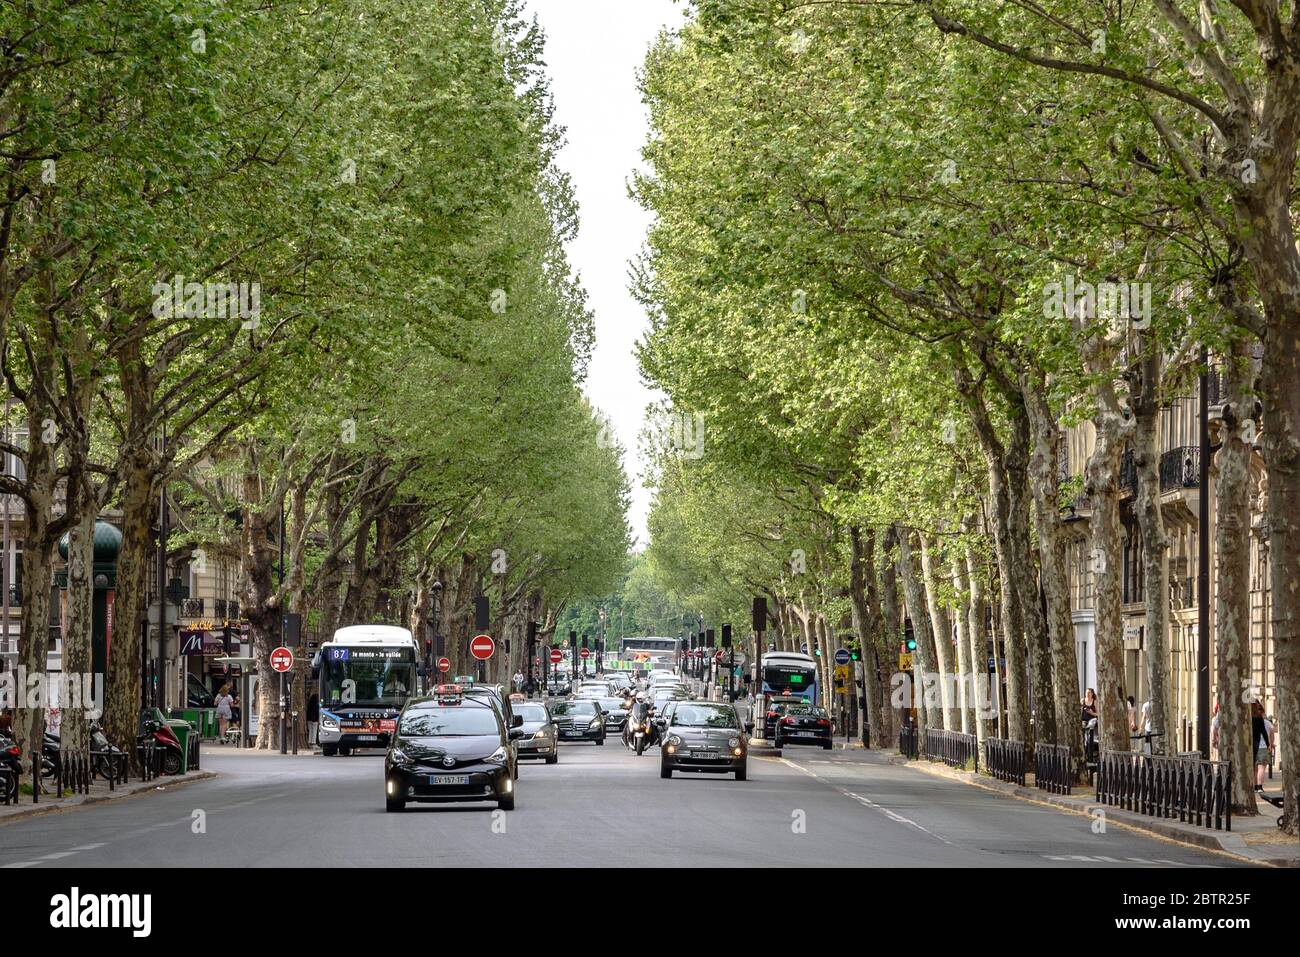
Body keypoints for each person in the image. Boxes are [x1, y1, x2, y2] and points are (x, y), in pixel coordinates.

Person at [1251, 700, 1274, 793]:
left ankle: (1254, 786)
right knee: (1261, 768)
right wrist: (1269, 744)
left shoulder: (1246, 717)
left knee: (1254, 767)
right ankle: (1259, 787)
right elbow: (1264, 731)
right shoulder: (1260, 718)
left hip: (1250, 744)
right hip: (1259, 744)